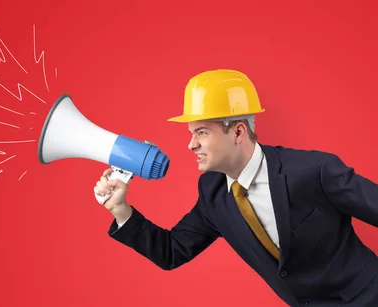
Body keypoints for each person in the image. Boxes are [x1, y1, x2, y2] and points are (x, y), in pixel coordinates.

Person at [93, 69, 378, 306]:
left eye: (202, 132)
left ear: (238, 132)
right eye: (192, 134)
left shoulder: (314, 170)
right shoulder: (213, 193)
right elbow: (172, 251)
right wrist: (121, 211)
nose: (191, 144)